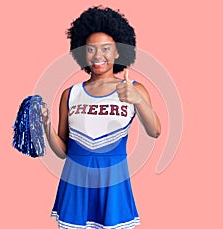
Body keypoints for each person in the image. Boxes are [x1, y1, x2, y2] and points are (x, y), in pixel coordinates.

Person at [42, 6, 161, 229]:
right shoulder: (70, 93)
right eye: (90, 49)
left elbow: (155, 131)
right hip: (74, 185)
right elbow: (63, 152)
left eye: (106, 48)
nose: (98, 56)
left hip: (113, 186)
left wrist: (138, 100)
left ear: (118, 52)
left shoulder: (133, 89)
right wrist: (45, 124)